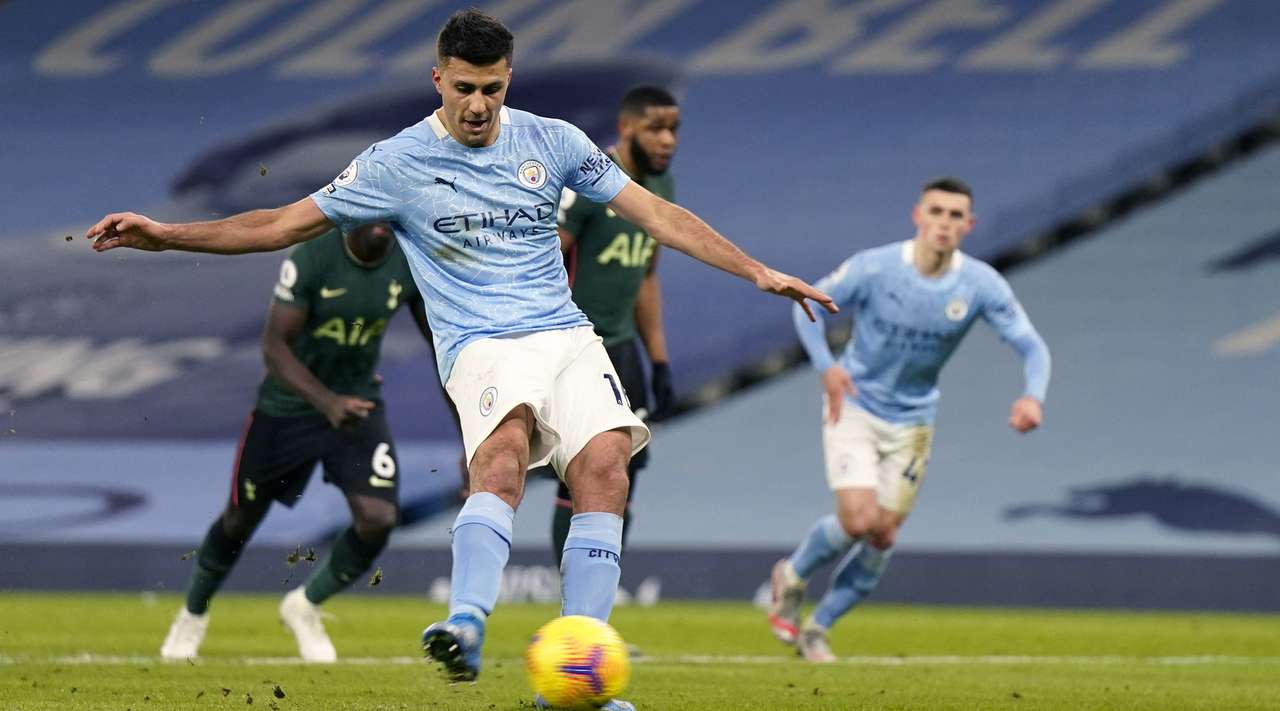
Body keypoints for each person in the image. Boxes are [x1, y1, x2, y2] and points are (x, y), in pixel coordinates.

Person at [87, 9, 833, 706]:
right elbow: (280, 223)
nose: (479, 105)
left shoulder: (554, 142)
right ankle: (467, 622)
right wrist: (168, 234)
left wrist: (758, 271)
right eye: (465, 88)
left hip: (565, 334)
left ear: (509, 80)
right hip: (480, 342)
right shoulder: (395, 162)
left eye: (493, 89)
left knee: (607, 467)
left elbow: (657, 214)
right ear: (438, 79)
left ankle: (579, 671)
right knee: (502, 454)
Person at [767, 178, 1051, 662]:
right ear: (918, 216)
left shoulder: (980, 284)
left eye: (955, 215)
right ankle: (791, 575)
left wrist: (1032, 397)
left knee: (883, 534)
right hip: (854, 404)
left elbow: (1032, 346)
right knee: (858, 519)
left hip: (914, 420)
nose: (944, 223)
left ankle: (819, 627)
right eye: (936, 212)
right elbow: (805, 302)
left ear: (969, 225)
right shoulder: (875, 267)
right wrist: (827, 368)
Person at [159, 223, 432, 662]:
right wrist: (326, 402)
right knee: (239, 520)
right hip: (288, 407)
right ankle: (192, 614)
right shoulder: (314, 256)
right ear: (355, 209)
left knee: (379, 517)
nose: (384, 217)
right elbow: (274, 346)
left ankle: (304, 606)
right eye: (375, 206)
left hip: (357, 404)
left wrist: (472, 434)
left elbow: (441, 344)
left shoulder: (408, 258)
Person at [549, 85, 681, 566]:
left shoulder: (662, 187)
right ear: (626, 128)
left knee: (625, 476)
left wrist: (659, 360)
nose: (667, 140)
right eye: (656, 128)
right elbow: (544, 258)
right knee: (580, 478)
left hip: (622, 352)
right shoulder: (590, 183)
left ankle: (599, 598)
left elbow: (646, 276)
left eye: (674, 129)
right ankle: (572, 599)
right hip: (576, 350)